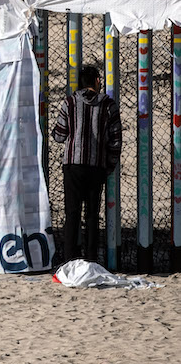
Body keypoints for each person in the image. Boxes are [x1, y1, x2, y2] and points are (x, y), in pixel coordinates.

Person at [51, 64, 122, 265]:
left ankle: (69, 260)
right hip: (96, 166)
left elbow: (59, 135)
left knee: (72, 214)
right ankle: (91, 260)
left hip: (73, 165)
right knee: (92, 215)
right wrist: (109, 165)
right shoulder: (109, 105)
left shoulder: (70, 102)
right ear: (98, 81)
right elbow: (116, 139)